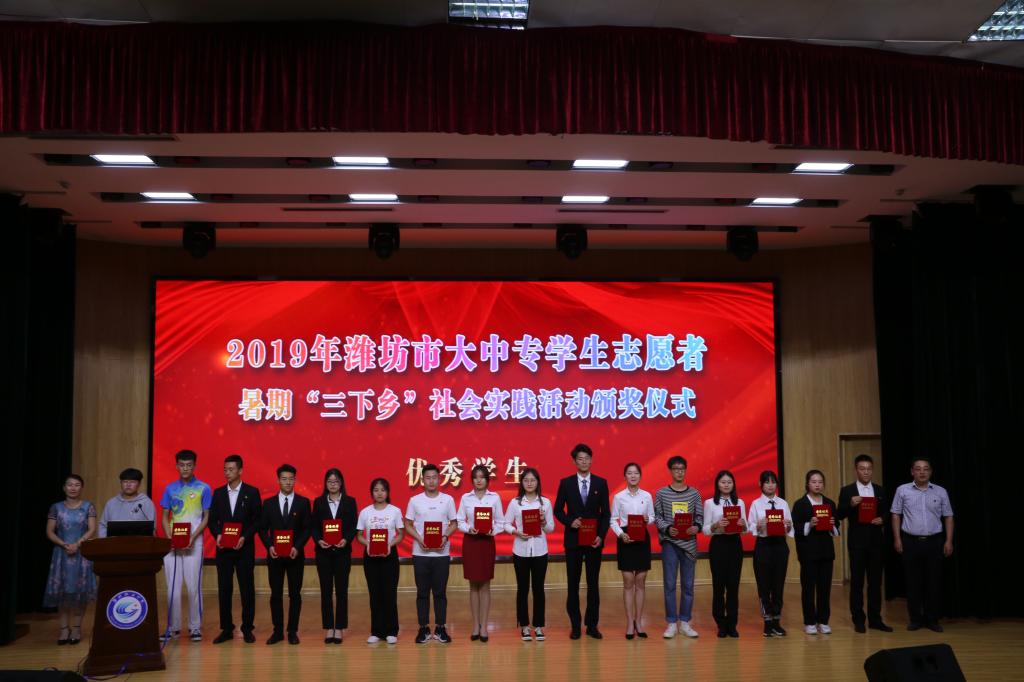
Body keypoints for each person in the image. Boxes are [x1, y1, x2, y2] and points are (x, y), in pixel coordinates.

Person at [554, 443, 611, 640]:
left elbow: (606, 514)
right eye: (580, 458)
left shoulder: (601, 483)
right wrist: (570, 521)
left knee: (593, 584)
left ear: (591, 460)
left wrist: (601, 536)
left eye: (587, 458)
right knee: (573, 584)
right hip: (573, 541)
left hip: (594, 541)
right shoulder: (566, 483)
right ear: (574, 461)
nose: (584, 461)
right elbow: (558, 510)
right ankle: (575, 625)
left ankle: (592, 625)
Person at [891, 457, 954, 633]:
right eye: (918, 469)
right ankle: (915, 620)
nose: (922, 472)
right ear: (912, 472)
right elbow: (895, 514)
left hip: (935, 542)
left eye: (926, 469)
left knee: (934, 582)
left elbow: (948, 516)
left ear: (930, 472)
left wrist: (949, 540)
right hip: (910, 542)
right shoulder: (902, 490)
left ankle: (932, 620)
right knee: (913, 583)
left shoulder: (941, 491)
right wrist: (897, 539)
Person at [207, 454, 262, 644]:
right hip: (224, 549)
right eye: (225, 469)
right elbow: (212, 521)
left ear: (240, 470)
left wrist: (244, 537)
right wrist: (218, 535)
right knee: (224, 589)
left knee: (247, 589)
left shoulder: (251, 492)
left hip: (244, 549)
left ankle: (247, 628)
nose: (227, 473)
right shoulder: (218, 493)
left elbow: (257, 520)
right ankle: (226, 628)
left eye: (231, 469)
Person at [159, 449, 212, 642]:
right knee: (172, 588)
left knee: (192, 587)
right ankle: (173, 628)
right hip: (173, 544)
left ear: (194, 466)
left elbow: (206, 517)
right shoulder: (170, 489)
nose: (185, 468)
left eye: (189, 465)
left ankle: (194, 627)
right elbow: (165, 516)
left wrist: (193, 537)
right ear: (177, 466)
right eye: (182, 465)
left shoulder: (204, 488)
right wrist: (169, 538)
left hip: (194, 543)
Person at [835, 454, 892, 633]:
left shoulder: (880, 490)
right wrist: (850, 504)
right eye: (862, 469)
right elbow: (839, 514)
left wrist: (882, 519)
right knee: (857, 582)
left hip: (876, 543)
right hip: (857, 543)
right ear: (856, 470)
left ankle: (875, 619)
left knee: (875, 583)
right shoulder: (847, 490)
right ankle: (858, 620)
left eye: (869, 469)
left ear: (872, 470)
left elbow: (888, 512)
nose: (866, 472)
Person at [405, 463, 458, 644]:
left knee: (440, 593)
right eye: (428, 478)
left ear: (439, 479)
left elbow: (454, 523)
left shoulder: (448, 500)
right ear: (423, 480)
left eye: (434, 477)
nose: (431, 481)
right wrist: (419, 539)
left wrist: (445, 536)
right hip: (420, 554)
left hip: (441, 554)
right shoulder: (415, 500)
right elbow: (407, 524)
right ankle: (423, 628)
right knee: (422, 593)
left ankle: (441, 628)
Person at [259, 463, 311, 645]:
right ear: (278, 480)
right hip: (275, 557)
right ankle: (277, 631)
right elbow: (262, 528)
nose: (288, 482)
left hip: (295, 556)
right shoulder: (269, 504)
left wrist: (297, 547)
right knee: (276, 594)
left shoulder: (303, 503)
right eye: (284, 479)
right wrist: (269, 546)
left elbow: (307, 529)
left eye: (291, 479)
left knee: (295, 594)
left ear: (295, 480)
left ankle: (292, 631)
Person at [44, 474, 97, 645]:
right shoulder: (56, 507)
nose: (73, 488)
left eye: (77, 485)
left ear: (82, 488)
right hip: (62, 553)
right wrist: (64, 544)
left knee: (80, 593)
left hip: (81, 554)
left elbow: (92, 529)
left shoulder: (88, 506)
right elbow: (49, 531)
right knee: (63, 593)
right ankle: (64, 630)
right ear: (64, 487)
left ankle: (76, 628)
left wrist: (77, 543)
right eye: (70, 485)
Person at [654, 455, 702, 639]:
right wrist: (667, 528)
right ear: (670, 471)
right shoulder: (661, 493)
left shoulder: (694, 493)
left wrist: (696, 527)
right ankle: (671, 623)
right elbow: (657, 517)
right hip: (670, 543)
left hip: (689, 544)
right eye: (676, 469)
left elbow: (700, 517)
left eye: (682, 469)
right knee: (669, 584)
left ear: (685, 471)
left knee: (688, 585)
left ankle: (685, 622)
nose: (679, 472)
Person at [503, 467, 554, 642]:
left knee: (539, 589)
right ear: (522, 483)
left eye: (532, 480)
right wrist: (516, 532)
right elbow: (505, 524)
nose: (529, 483)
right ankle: (524, 626)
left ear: (537, 482)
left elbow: (550, 528)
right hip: (520, 551)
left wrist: (543, 521)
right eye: (526, 480)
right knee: (523, 589)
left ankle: (538, 626)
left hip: (540, 550)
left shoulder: (545, 503)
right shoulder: (515, 503)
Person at [457, 464, 504, 642]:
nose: (479, 480)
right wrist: (468, 528)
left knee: (485, 585)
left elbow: (500, 522)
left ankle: (484, 626)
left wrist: (494, 530)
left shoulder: (495, 498)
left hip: (486, 542)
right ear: (472, 480)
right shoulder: (465, 498)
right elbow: (459, 520)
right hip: (471, 542)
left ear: (487, 480)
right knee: (473, 585)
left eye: (482, 477)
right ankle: (475, 625)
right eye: (476, 477)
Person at [311, 468, 358, 644]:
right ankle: (329, 627)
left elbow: (354, 525)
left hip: (342, 553)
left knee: (341, 591)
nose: (333, 484)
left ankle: (339, 627)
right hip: (323, 553)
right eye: (329, 482)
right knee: (326, 591)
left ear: (341, 483)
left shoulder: (350, 501)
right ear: (325, 484)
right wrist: (318, 540)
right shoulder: (318, 502)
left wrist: (346, 539)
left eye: (336, 481)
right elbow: (313, 526)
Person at [356, 478, 405, 644]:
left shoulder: (395, 511)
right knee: (375, 593)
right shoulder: (365, 512)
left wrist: (390, 544)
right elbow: (359, 535)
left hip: (389, 556)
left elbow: (401, 534)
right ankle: (376, 631)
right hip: (370, 556)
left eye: (383, 490)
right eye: (376, 490)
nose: (379, 493)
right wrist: (368, 544)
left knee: (389, 593)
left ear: (387, 492)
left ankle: (392, 631)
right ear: (372, 492)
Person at [610, 462, 655, 639]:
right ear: (625, 476)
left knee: (641, 580)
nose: (633, 476)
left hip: (642, 538)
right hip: (626, 538)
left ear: (640, 476)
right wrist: (621, 534)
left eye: (636, 473)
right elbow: (613, 520)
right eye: (629, 473)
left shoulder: (647, 496)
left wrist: (648, 519)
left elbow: (652, 517)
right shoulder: (619, 497)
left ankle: (639, 621)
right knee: (628, 581)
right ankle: (630, 622)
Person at [792, 470, 839, 635]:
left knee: (825, 588)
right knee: (808, 588)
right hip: (808, 553)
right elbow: (795, 527)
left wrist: (832, 524)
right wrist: (809, 524)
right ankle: (810, 622)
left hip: (826, 552)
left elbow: (836, 527)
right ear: (807, 484)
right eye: (813, 482)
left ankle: (823, 621)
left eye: (820, 482)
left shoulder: (830, 503)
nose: (817, 485)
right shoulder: (800, 504)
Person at [747, 470, 794, 637]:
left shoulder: (783, 503)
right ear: (760, 484)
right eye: (767, 482)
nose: (770, 485)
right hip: (763, 546)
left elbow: (790, 528)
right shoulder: (756, 504)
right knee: (764, 585)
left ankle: (777, 621)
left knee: (778, 585)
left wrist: (788, 525)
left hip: (780, 546)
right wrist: (758, 526)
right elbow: (750, 527)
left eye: (773, 482)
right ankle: (767, 621)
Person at [702, 470, 747, 638]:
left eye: (729, 482)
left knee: (733, 586)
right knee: (719, 586)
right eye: (723, 482)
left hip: (735, 544)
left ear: (733, 484)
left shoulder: (740, 502)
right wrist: (715, 525)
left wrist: (743, 524)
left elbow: (746, 529)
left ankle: (732, 624)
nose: (726, 485)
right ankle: (721, 623)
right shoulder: (710, 503)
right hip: (718, 545)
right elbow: (705, 530)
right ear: (717, 484)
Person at [98, 468, 156, 537]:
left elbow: (152, 528)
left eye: (132, 482)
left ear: (139, 484)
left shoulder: (146, 503)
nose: (128, 485)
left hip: (139, 542)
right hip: (114, 542)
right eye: (125, 481)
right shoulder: (111, 503)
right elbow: (103, 526)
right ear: (121, 483)